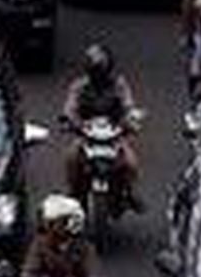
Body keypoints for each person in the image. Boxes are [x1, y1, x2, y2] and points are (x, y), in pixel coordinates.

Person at [61, 45, 144, 211]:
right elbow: (70, 107)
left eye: (102, 72)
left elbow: (128, 105)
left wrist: (130, 121)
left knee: (131, 162)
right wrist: (71, 121)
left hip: (114, 134)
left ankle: (129, 193)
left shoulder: (119, 85)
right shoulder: (79, 86)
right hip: (87, 134)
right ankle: (73, 191)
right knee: (71, 158)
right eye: (95, 72)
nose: (99, 77)